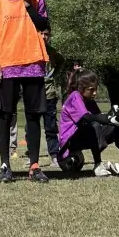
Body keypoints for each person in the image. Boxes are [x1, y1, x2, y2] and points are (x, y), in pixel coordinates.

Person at [0, 0, 51, 184]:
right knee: (5, 114)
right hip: (8, 63)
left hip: (34, 61)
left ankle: (34, 166)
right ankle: (5, 165)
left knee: (34, 115)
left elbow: (44, 25)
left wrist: (28, 4)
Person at [56, 70, 119, 177]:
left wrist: (113, 119)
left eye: (96, 89)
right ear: (80, 88)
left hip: (83, 136)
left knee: (115, 128)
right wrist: (108, 118)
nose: (95, 93)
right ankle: (98, 165)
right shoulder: (75, 96)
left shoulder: (89, 101)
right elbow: (87, 117)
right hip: (70, 142)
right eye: (91, 89)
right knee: (94, 126)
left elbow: (99, 118)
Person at [42, 26, 66, 167]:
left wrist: (52, 75)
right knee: (30, 126)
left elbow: (61, 61)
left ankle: (54, 155)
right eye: (42, 34)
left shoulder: (52, 52)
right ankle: (32, 156)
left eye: (47, 34)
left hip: (49, 93)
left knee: (50, 126)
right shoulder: (31, 48)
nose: (44, 37)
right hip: (33, 93)